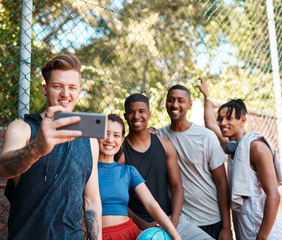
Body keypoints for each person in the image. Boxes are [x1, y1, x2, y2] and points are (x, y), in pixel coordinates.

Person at [0, 54, 102, 240]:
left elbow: (91, 199)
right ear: (45, 89)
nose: (65, 94)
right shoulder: (22, 128)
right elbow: (4, 169)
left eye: (72, 88)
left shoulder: (90, 140)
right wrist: (37, 148)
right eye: (57, 86)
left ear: (79, 92)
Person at [118, 93, 214, 240]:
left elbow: (177, 187)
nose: (136, 116)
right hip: (138, 224)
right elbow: (119, 199)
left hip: (170, 219)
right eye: (131, 112)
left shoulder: (165, 145)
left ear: (149, 114)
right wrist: (144, 225)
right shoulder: (121, 153)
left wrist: (173, 222)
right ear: (125, 116)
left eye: (141, 111)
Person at [198, 78, 282, 240]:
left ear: (243, 120)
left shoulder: (256, 147)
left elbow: (274, 195)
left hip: (264, 232)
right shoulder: (232, 146)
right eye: (221, 119)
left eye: (229, 118)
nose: (223, 123)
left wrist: (262, 238)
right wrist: (207, 96)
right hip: (245, 228)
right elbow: (210, 122)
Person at [151, 85, 232, 239]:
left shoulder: (206, 136)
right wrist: (144, 134)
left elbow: (222, 183)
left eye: (181, 101)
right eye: (171, 100)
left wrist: (227, 227)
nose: (175, 105)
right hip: (180, 221)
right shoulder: (158, 136)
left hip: (210, 218)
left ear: (189, 105)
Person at [98, 114, 181, 240]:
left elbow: (151, 204)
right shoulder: (86, 169)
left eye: (116, 135)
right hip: (97, 234)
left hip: (128, 233)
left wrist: (175, 236)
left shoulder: (128, 171)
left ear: (121, 141)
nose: (110, 140)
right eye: (105, 133)